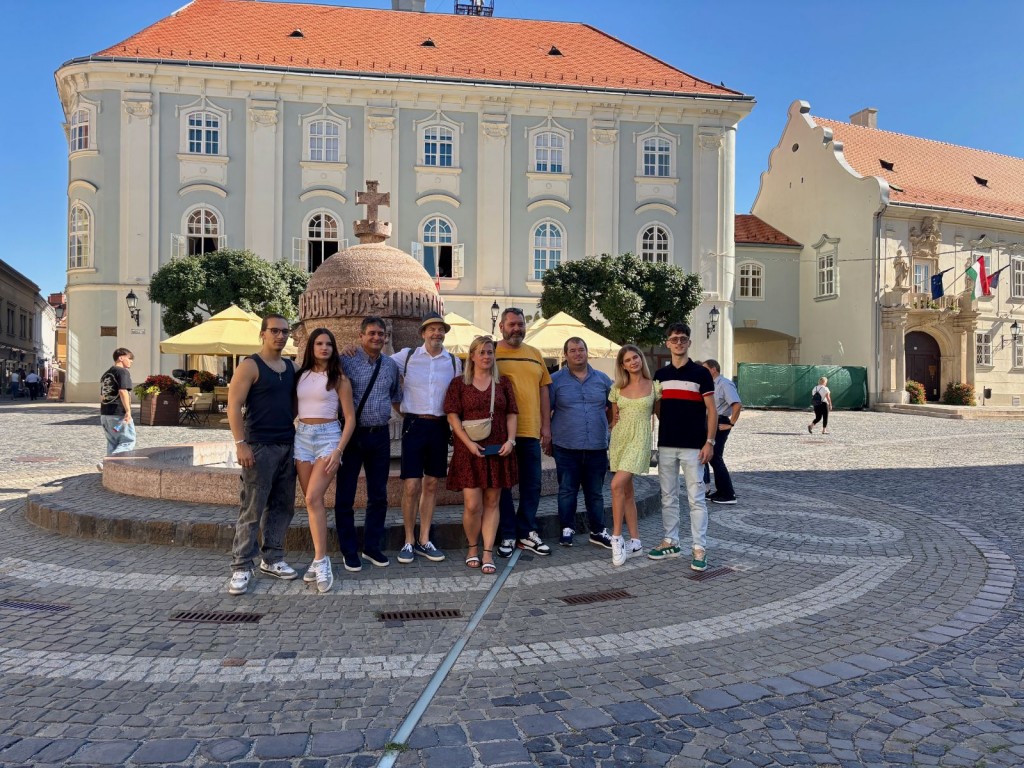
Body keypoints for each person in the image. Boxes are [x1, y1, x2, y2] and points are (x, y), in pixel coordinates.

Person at [226, 315, 300, 596]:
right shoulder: (250, 365)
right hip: (259, 446)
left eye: (285, 331)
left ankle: (272, 558)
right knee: (252, 508)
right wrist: (240, 443)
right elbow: (233, 405)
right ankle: (241, 565)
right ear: (263, 334)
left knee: (283, 506)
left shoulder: (291, 367)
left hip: (287, 444)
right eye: (275, 331)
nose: (280, 336)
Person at [391, 312, 461, 564]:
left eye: (440, 329)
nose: (436, 333)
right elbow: (379, 363)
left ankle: (424, 539)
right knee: (411, 485)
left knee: (431, 484)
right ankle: (408, 540)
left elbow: (458, 395)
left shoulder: (453, 362)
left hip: (440, 426)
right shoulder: (407, 356)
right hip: (414, 425)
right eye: (432, 329)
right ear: (422, 333)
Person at [445, 335, 518, 575]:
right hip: (469, 451)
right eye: (482, 352)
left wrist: (510, 440)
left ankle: (487, 551)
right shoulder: (459, 384)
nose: (486, 356)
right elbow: (452, 416)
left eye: (490, 352)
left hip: (498, 448)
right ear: (472, 356)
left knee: (493, 502)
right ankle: (472, 547)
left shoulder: (503, 382)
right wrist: (467, 444)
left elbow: (511, 413)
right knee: (472, 504)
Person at [335, 316, 402, 571]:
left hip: (380, 435)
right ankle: (348, 549)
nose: (376, 337)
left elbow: (395, 396)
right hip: (352, 436)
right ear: (361, 335)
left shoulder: (390, 365)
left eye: (380, 334)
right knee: (345, 495)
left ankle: (372, 546)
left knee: (378, 495)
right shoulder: (346, 361)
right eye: (371, 333)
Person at [294, 328, 356, 593]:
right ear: (311, 347)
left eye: (329, 344)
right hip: (302, 437)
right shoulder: (300, 375)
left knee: (312, 497)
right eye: (319, 343)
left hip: (328, 437)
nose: (324, 348)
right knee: (312, 502)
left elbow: (350, 418)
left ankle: (321, 560)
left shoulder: (339, 378)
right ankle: (318, 557)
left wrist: (339, 450)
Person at [651, 322, 716, 571]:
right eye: (674, 339)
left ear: (689, 342)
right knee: (667, 497)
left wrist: (709, 442)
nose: (679, 343)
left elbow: (711, 410)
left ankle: (699, 548)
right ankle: (671, 541)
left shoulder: (701, 374)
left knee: (696, 499)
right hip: (667, 445)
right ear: (667, 343)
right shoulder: (660, 375)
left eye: (683, 339)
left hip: (693, 447)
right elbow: (658, 409)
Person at [495, 308, 552, 557]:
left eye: (520, 324)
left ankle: (526, 531)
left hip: (530, 430)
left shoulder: (535, 354)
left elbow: (544, 390)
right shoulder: (491, 353)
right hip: (500, 432)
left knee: (533, 484)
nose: (516, 328)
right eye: (512, 324)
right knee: (503, 486)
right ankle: (508, 534)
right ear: (501, 327)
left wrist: (546, 425)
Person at [549, 337, 613, 549]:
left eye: (581, 349)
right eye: (573, 350)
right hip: (566, 446)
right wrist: (547, 436)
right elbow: (546, 410)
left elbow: (612, 407)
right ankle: (567, 528)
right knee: (567, 490)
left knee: (595, 492)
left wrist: (608, 426)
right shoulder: (555, 381)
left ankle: (598, 531)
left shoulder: (603, 380)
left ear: (587, 352)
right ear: (566, 355)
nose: (577, 353)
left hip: (597, 446)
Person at [608, 345, 661, 566]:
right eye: (628, 360)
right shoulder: (616, 389)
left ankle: (616, 537)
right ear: (623, 365)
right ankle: (636, 542)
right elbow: (614, 420)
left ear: (641, 359)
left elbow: (662, 416)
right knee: (627, 492)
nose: (633, 362)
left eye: (635, 357)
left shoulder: (655, 387)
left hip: (640, 440)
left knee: (615, 485)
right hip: (620, 440)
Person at [702, 359, 741, 505]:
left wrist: (731, 423)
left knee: (716, 457)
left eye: (705, 369)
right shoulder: (711, 384)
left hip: (720, 422)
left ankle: (728, 494)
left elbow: (737, 404)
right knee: (713, 458)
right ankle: (721, 491)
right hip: (711, 421)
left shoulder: (724, 384)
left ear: (713, 369)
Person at [99, 347, 136, 457]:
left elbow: (102, 395)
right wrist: (128, 411)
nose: (131, 361)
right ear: (121, 358)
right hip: (118, 413)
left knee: (112, 442)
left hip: (105, 413)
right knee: (128, 441)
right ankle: (112, 461)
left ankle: (109, 465)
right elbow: (123, 391)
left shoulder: (106, 374)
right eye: (129, 359)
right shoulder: (122, 372)